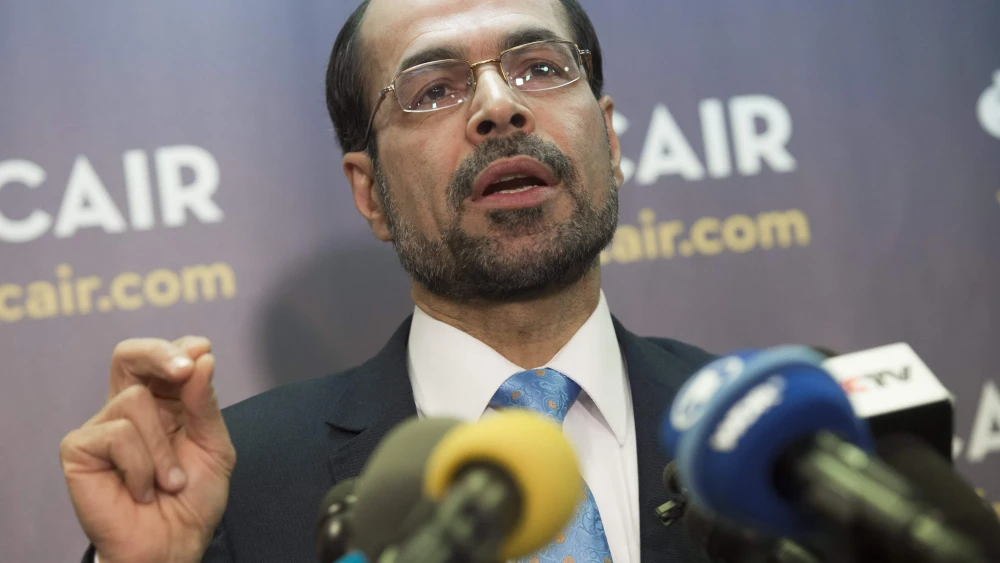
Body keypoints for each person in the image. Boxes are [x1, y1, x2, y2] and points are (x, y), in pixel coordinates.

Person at [59, 0, 715, 561]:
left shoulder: (789, 438)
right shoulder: (239, 484)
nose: (499, 106)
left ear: (610, 139)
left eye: (540, 68)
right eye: (433, 89)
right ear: (369, 193)